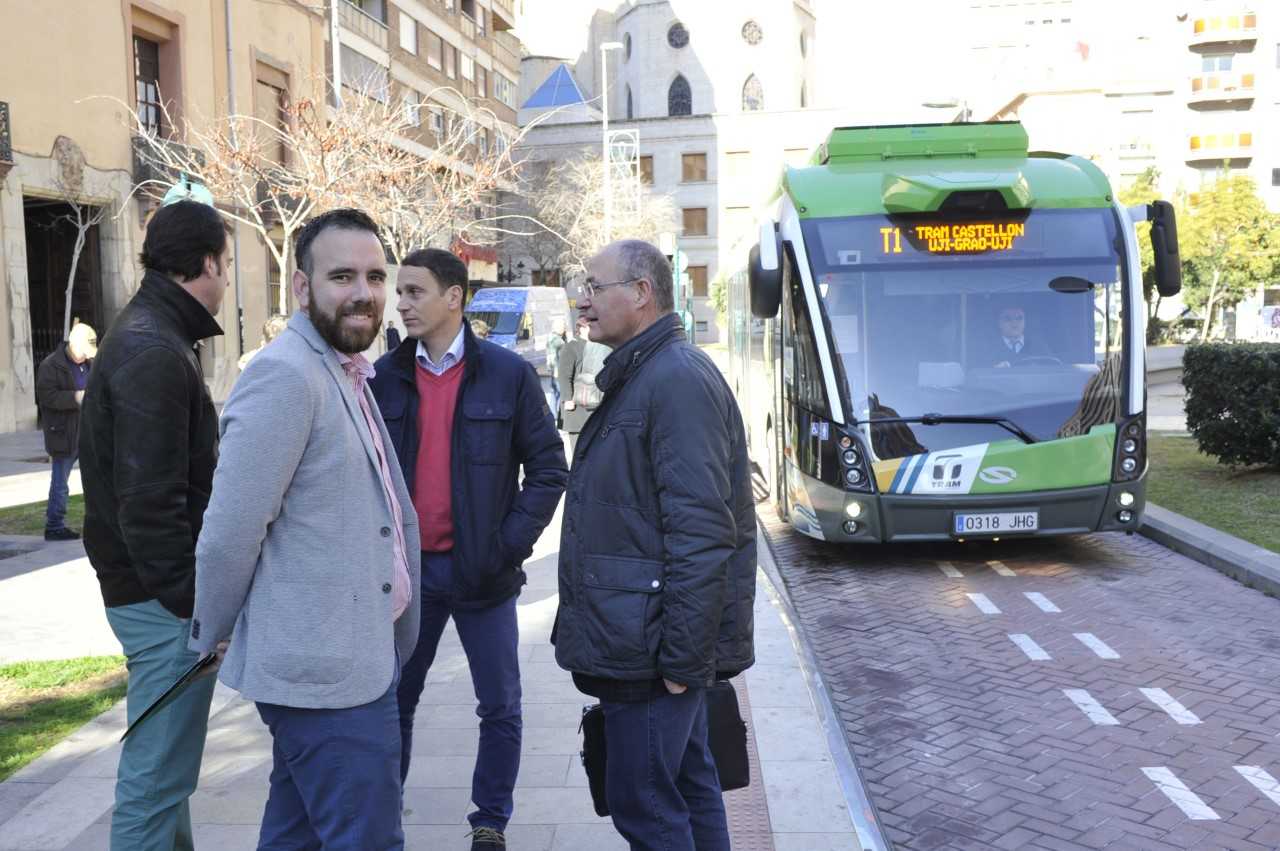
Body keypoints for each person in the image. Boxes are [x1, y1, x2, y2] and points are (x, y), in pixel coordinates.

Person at [189, 208, 420, 848]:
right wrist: (212, 632)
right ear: (300, 286)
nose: (364, 293)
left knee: (297, 838)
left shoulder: (342, 365)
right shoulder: (284, 374)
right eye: (342, 275)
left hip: (353, 658)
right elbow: (231, 529)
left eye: (375, 277)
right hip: (326, 676)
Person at [552, 239, 756, 849]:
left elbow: (702, 531)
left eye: (594, 286)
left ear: (641, 294)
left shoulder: (673, 380)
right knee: (689, 788)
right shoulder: (648, 372)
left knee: (646, 807)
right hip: (644, 640)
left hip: (651, 652)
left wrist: (681, 664)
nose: (582, 301)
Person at [369, 248, 567, 850]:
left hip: (484, 575)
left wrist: (507, 547)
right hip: (411, 576)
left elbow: (549, 469)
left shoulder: (507, 375)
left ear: (454, 297)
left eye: (413, 292)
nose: (399, 303)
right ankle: (383, 817)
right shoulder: (381, 378)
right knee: (394, 702)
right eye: (398, 292)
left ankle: (490, 821)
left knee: (500, 705)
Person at [77, 200, 229, 851]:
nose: (226, 279)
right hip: (160, 601)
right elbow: (149, 506)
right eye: (225, 265)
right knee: (153, 785)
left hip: (154, 595)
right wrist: (198, 607)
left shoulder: (155, 337)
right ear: (204, 264)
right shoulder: (153, 350)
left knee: (167, 783)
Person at [35, 321, 96, 541]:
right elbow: (47, 397)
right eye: (83, 352)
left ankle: (99, 522)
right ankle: (54, 526)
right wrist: (76, 398)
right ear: (73, 345)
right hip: (63, 432)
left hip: (87, 431)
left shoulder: (89, 363)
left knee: (97, 480)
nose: (86, 356)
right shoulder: (50, 366)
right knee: (60, 484)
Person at [557, 317, 609, 453]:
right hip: (576, 408)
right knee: (578, 452)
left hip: (593, 405)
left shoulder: (599, 346)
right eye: (590, 326)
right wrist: (567, 399)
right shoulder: (571, 347)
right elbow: (564, 375)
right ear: (581, 329)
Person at [977, 303, 1052, 368]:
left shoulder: (1038, 345)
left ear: (1025, 322)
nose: (1014, 322)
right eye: (1007, 318)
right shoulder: (988, 347)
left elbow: (1052, 368)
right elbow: (980, 373)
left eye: (1019, 318)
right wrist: (993, 370)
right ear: (999, 323)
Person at [546, 317, 567, 416]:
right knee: (559, 393)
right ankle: (556, 415)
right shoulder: (556, 340)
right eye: (563, 326)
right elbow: (552, 356)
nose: (564, 328)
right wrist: (555, 370)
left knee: (555, 393)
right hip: (557, 371)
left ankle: (554, 414)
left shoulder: (552, 337)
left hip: (555, 370)